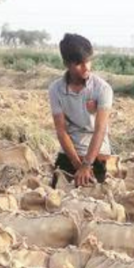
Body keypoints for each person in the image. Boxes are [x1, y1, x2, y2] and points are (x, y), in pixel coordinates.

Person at [48, 33, 113, 187]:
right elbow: (61, 131)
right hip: (71, 153)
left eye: (88, 61)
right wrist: (78, 165)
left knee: (93, 197)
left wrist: (87, 165)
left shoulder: (102, 89)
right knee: (56, 196)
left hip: (95, 153)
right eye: (79, 64)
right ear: (66, 64)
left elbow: (100, 129)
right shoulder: (56, 89)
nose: (86, 68)